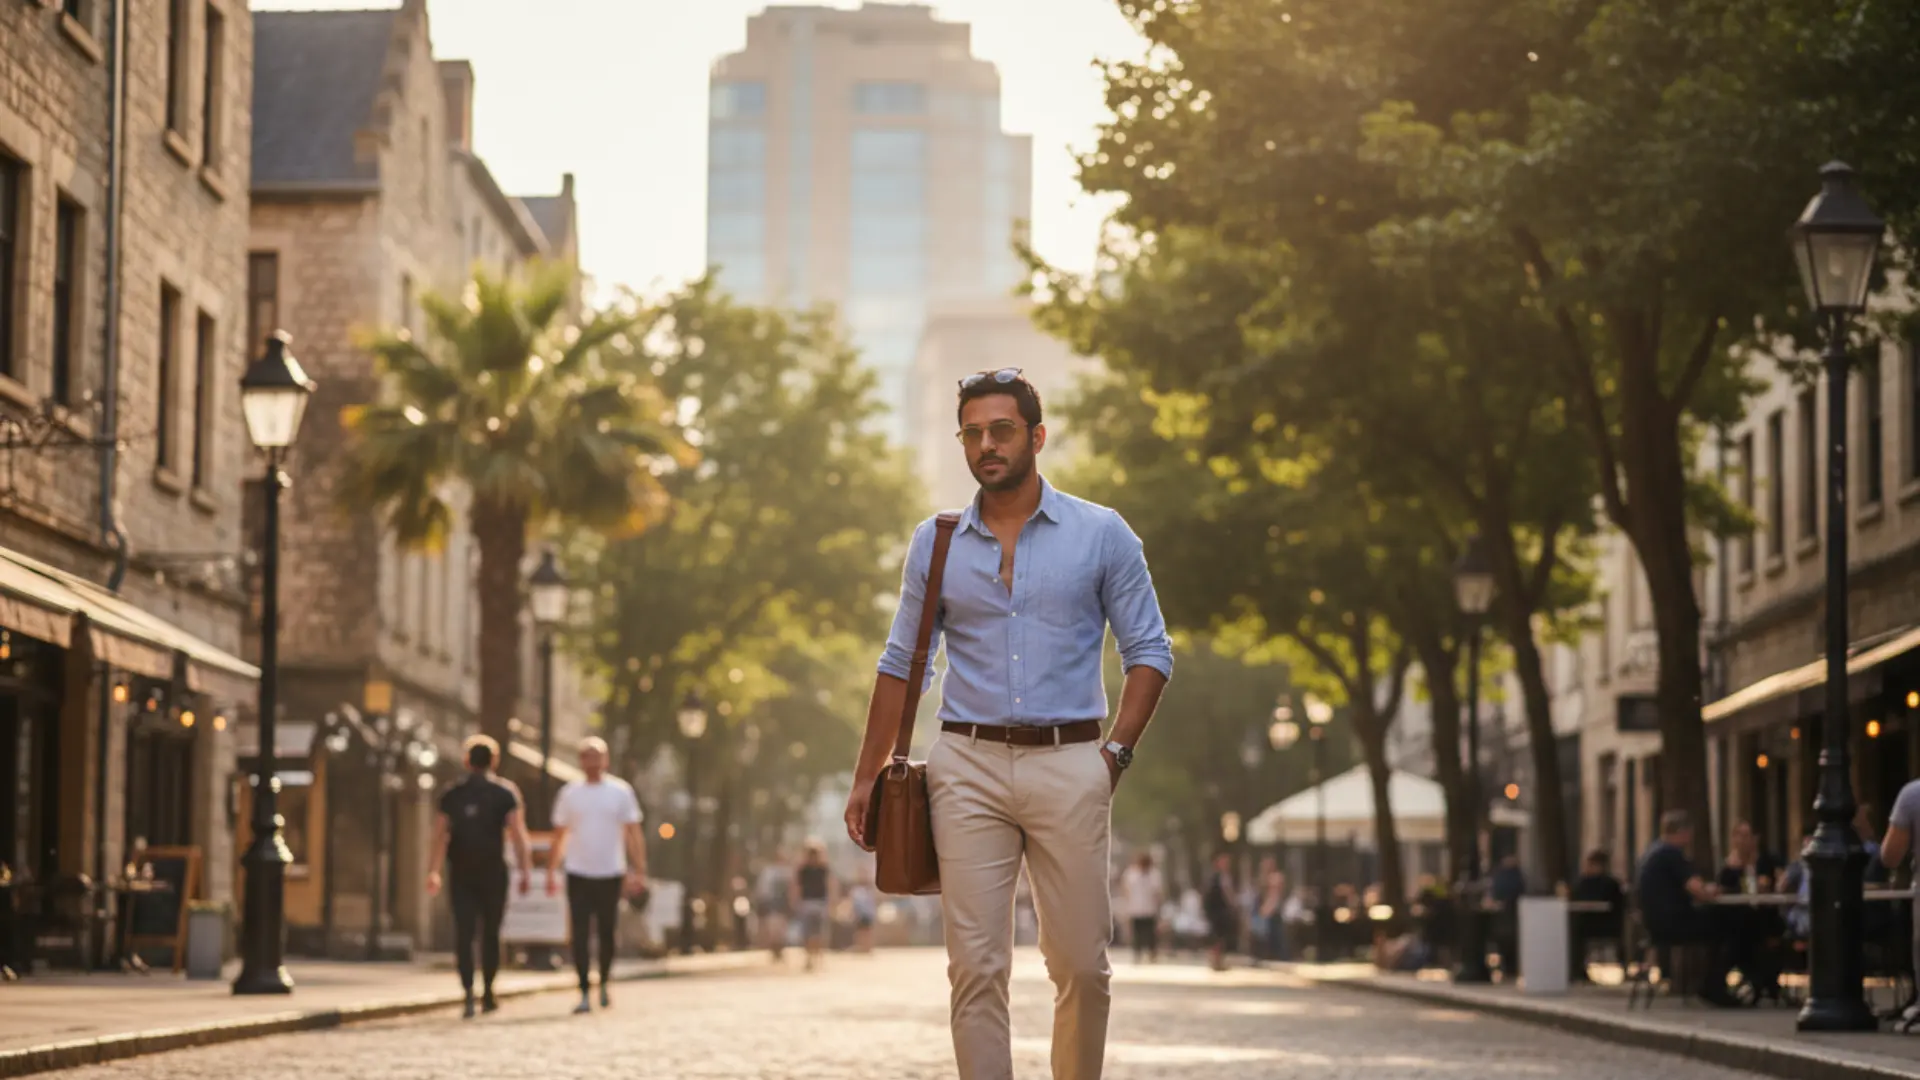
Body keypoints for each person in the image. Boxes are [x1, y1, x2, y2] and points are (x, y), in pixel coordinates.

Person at [843, 368, 1173, 1080]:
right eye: (972, 432)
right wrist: (867, 775)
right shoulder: (935, 545)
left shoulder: (1102, 533)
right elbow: (903, 663)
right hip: (967, 766)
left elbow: (1150, 650)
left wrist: (1114, 755)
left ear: (1036, 437)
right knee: (977, 968)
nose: (986, 445)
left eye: (1001, 430)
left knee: (1083, 967)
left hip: (1072, 761)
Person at [426, 735, 531, 1018]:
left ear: (466, 760)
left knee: (464, 933)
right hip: (494, 873)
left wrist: (434, 871)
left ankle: (468, 993)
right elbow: (519, 835)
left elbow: (439, 836)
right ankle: (488, 992)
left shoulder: (452, 794)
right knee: (491, 934)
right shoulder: (505, 793)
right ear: (494, 761)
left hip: (461, 873)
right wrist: (525, 870)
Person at [545, 736, 647, 1014]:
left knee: (606, 932)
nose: (592, 761)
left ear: (606, 760)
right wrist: (552, 870)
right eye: (587, 756)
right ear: (580, 760)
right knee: (578, 932)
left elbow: (633, 833)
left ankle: (603, 982)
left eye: (597, 755)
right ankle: (582, 989)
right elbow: (560, 834)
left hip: (610, 871)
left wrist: (639, 869)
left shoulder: (620, 792)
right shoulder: (570, 793)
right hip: (578, 871)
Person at [1636, 810, 1738, 1007]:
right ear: (1681, 832)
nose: (1691, 838)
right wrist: (1717, 889)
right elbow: (1698, 890)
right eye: (1689, 833)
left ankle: (1711, 985)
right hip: (1674, 924)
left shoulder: (1653, 852)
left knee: (1721, 923)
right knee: (1730, 927)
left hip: (1656, 925)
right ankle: (1713, 986)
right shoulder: (1671, 854)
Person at [1570, 851, 1625, 982]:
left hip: (1604, 924)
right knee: (1573, 934)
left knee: (1577, 934)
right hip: (1589, 922)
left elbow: (1613, 905)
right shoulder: (1583, 882)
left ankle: (1577, 970)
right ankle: (1577, 970)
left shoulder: (1609, 883)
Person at [791, 839, 836, 972]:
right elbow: (796, 885)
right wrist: (795, 900)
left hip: (820, 902)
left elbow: (830, 885)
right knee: (808, 933)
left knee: (819, 933)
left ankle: (818, 957)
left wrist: (832, 901)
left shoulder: (824, 869)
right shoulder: (803, 870)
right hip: (807, 903)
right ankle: (809, 957)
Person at [1119, 852, 1166, 964]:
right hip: (1135, 909)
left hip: (1150, 909)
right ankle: (1137, 954)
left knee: (1151, 934)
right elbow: (1125, 890)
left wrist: (1160, 908)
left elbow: (1158, 892)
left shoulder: (1154, 874)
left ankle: (1152, 953)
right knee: (1137, 934)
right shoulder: (1131, 874)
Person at [756, 850, 795, 960]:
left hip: (784, 904)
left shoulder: (789, 872)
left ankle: (780, 950)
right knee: (773, 928)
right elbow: (763, 889)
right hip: (772, 903)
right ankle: (774, 951)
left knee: (782, 929)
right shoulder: (769, 871)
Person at [1203, 853, 1238, 972]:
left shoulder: (1219, 876)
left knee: (1220, 936)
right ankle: (1216, 960)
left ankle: (1218, 960)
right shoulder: (1218, 877)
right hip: (1218, 910)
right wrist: (1232, 905)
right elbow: (1227, 893)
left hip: (1219, 910)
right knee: (1218, 936)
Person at [849, 873, 878, 954]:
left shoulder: (870, 890)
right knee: (860, 932)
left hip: (868, 914)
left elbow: (872, 903)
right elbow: (855, 903)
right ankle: (861, 947)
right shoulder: (856, 890)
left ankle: (868, 947)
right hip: (860, 914)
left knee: (868, 931)